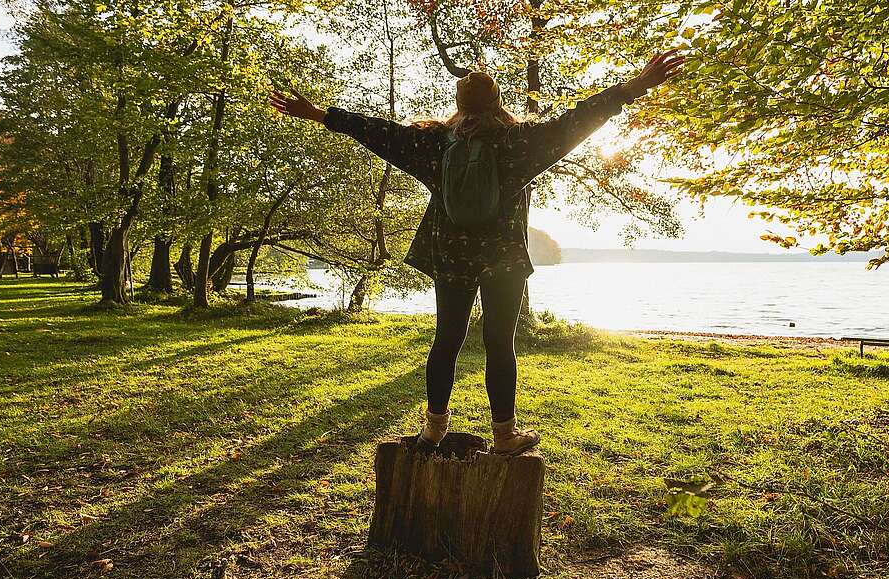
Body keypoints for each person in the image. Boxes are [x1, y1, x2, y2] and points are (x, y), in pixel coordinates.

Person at [271, 50, 686, 455]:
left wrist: (322, 114)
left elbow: (377, 130)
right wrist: (634, 86)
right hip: (503, 259)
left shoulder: (433, 142)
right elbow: (578, 120)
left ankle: (433, 430)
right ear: (498, 102)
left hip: (450, 256)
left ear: (458, 103)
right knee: (499, 344)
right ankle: (504, 435)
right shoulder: (519, 141)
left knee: (446, 340)